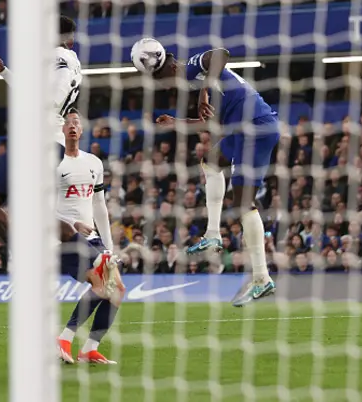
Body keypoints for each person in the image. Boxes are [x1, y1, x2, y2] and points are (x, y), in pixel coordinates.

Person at [131, 38, 279, 307]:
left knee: (243, 204)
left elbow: (221, 53)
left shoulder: (190, 67)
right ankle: (213, 233)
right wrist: (178, 122)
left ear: (164, 67)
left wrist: (203, 93)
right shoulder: (190, 79)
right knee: (210, 162)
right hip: (241, 127)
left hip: (255, 126)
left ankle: (261, 278)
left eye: (157, 78)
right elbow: (210, 120)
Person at [0, 15, 79, 238]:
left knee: (2, 208)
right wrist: (4, 71)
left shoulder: (61, 56)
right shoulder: (55, 58)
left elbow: (60, 88)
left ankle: (94, 258)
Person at [56, 109, 124, 365]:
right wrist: (72, 223)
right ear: (61, 130)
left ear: (82, 130)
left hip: (93, 238)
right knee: (100, 283)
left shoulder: (94, 163)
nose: (72, 127)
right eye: (68, 123)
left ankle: (89, 349)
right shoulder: (54, 163)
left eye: (77, 123)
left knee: (116, 289)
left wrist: (108, 246)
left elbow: (100, 206)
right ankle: (64, 339)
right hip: (62, 238)